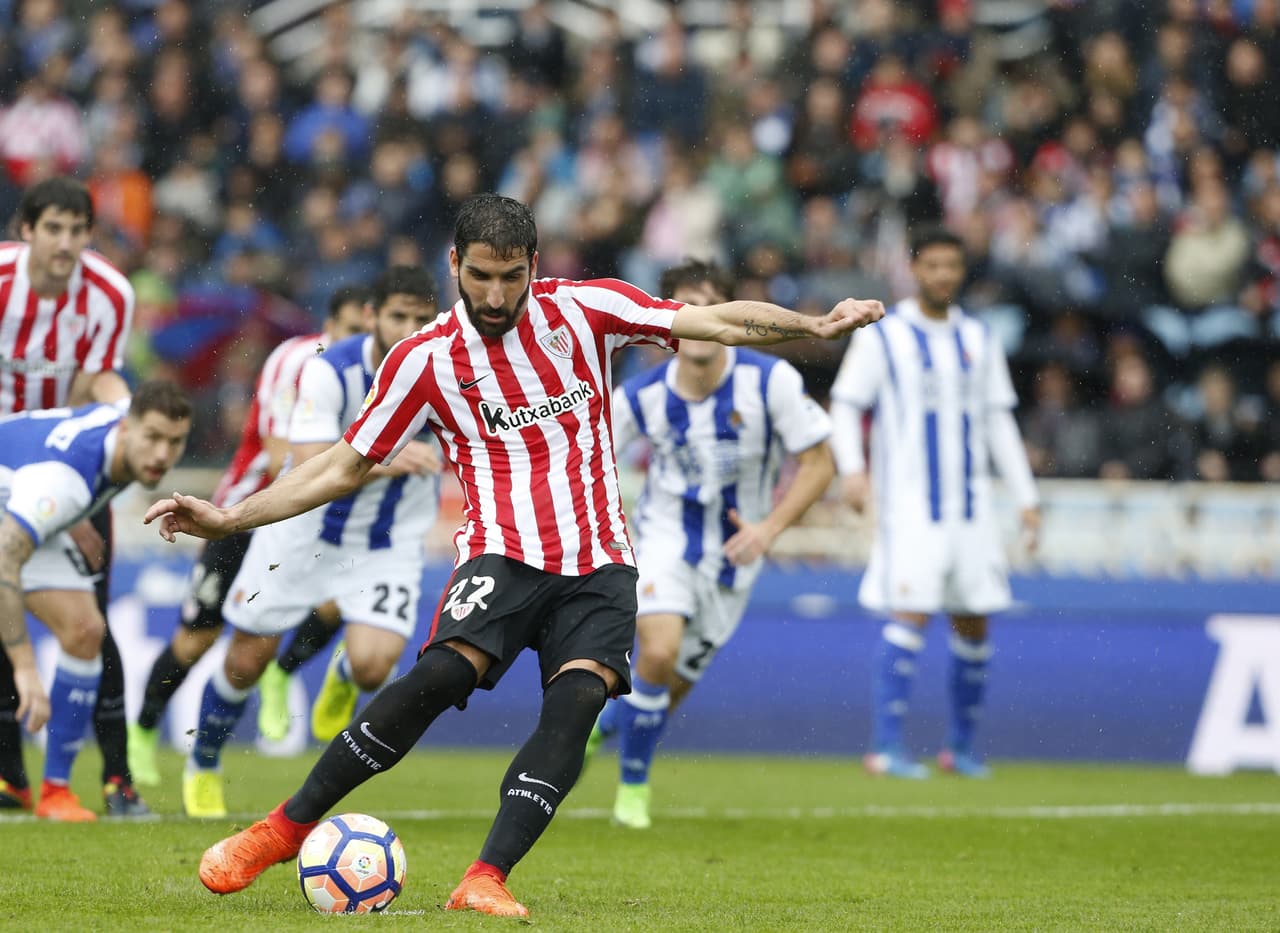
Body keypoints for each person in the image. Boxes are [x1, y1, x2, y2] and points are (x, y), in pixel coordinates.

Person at [143, 194, 882, 918]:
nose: (496, 296)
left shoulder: (585, 310)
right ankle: (281, 830)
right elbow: (341, 464)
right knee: (435, 677)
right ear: (455, 264)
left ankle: (486, 875)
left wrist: (812, 325)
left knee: (577, 703)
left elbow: (711, 319)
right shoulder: (424, 359)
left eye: (511, 276)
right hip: (503, 554)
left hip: (599, 559)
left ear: (534, 264)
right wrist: (231, 517)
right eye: (480, 277)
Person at [181, 265, 440, 819]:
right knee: (246, 660)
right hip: (302, 535)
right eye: (399, 315)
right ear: (371, 317)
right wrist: (390, 460)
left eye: (423, 318)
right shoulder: (328, 371)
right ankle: (203, 761)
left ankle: (344, 677)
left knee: (375, 666)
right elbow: (308, 462)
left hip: (385, 542)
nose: (411, 328)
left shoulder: (451, 369)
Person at [587, 259, 836, 829]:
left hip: (734, 558)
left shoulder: (770, 381)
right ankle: (633, 793)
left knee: (668, 684)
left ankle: (607, 727)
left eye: (708, 304)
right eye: (685, 306)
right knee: (656, 650)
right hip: (665, 539)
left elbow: (820, 464)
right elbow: (589, 458)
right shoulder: (640, 396)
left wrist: (769, 528)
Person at [127, 285, 369, 788]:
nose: (356, 342)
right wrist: (377, 462)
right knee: (197, 640)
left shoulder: (378, 373)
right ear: (329, 327)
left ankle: (284, 672)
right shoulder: (298, 361)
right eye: (348, 330)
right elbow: (289, 453)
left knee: (340, 602)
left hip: (312, 514)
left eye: (364, 332)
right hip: (245, 510)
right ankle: (143, 730)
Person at [829, 227, 1040, 780]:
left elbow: (998, 421)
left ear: (962, 271)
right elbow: (847, 404)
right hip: (911, 509)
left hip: (971, 512)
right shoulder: (884, 335)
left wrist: (1026, 497)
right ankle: (885, 747)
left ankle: (960, 749)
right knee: (911, 612)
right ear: (915, 270)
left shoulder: (980, 337)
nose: (943, 275)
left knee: (974, 623)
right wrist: (852, 471)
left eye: (952, 265)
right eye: (933, 265)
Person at [0, 177, 141, 817]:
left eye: (76, 231)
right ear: (25, 230)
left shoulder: (110, 294)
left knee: (92, 622)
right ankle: (13, 778)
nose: (64, 243)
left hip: (71, 466)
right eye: (51, 228)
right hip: (6, 469)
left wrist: (73, 503)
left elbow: (94, 380)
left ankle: (117, 778)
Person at [0, 382, 192, 821]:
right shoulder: (63, 484)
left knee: (86, 630)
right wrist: (25, 669)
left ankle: (55, 793)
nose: (162, 454)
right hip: (13, 520)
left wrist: (76, 515)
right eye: (153, 438)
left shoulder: (129, 414)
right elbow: (4, 560)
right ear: (126, 428)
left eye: (175, 442)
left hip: (19, 504)